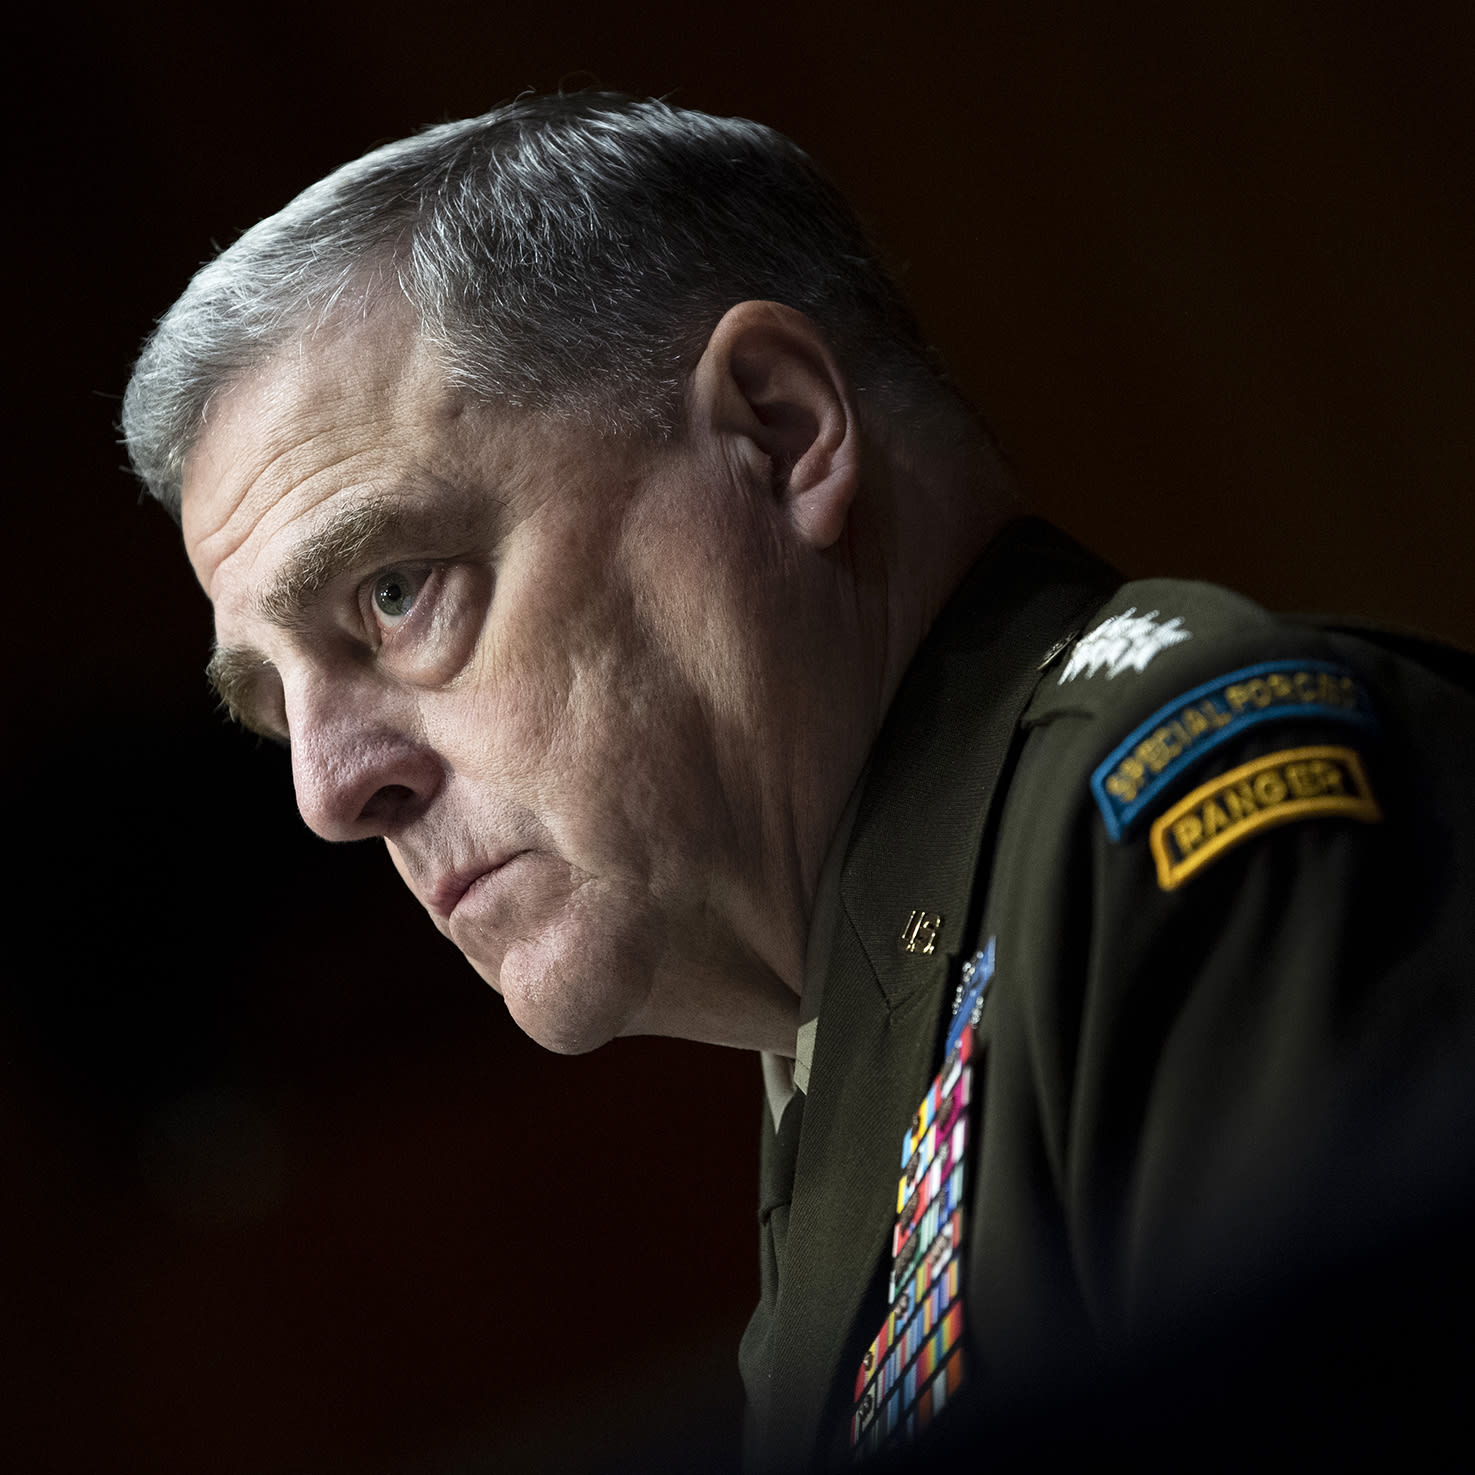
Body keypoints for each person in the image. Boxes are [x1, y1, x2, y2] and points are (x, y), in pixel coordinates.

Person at [123, 94, 1475, 1469]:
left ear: (779, 432)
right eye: (276, 708)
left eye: (395, 592)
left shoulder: (1168, 821)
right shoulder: (855, 1042)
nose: (329, 793)